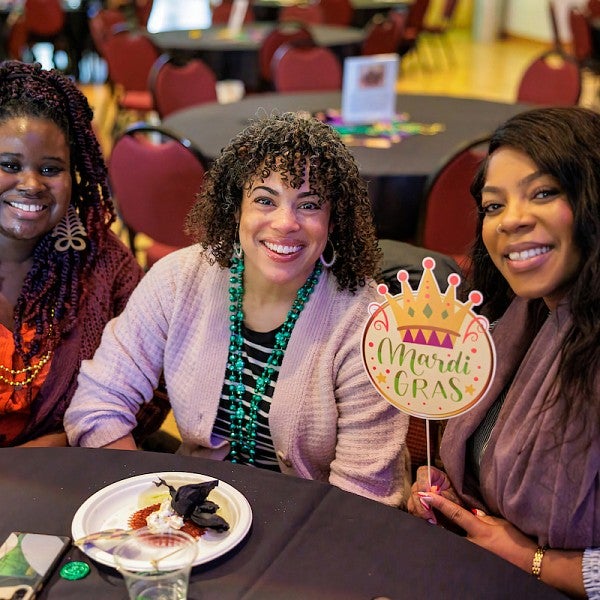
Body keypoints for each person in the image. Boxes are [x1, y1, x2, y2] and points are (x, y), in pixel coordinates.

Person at [65, 112, 410, 507]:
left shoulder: (366, 322)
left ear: (334, 221)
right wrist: (148, 510)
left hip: (313, 529)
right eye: (265, 199)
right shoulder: (179, 280)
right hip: (194, 518)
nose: (285, 223)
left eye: (309, 204)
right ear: (236, 210)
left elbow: (362, 497)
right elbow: (97, 403)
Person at [408, 107, 600, 598]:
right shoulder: (516, 317)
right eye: (494, 206)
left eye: (543, 192)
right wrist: (446, 480)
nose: (511, 220)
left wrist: (531, 559)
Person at [0, 60, 148, 447]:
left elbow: (153, 388)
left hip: (78, 481)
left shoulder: (107, 266)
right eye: (10, 165)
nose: (31, 184)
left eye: (51, 169)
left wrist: (67, 438)